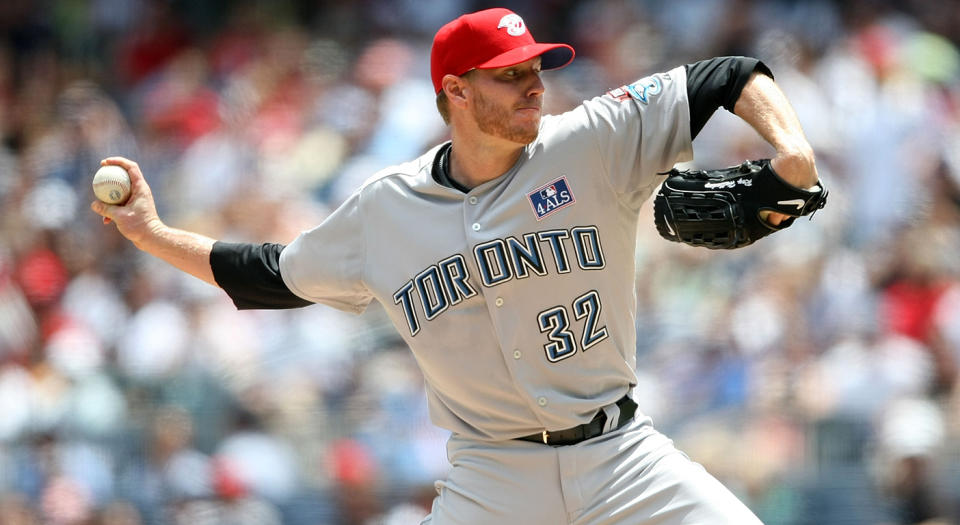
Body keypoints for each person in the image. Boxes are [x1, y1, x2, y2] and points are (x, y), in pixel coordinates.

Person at [91, 7, 820, 524]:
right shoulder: (384, 210)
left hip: (622, 456)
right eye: (509, 75)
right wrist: (151, 233)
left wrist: (793, 153)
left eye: (535, 66)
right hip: (493, 479)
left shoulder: (590, 138)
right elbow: (268, 272)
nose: (534, 82)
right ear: (456, 91)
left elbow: (726, 75)